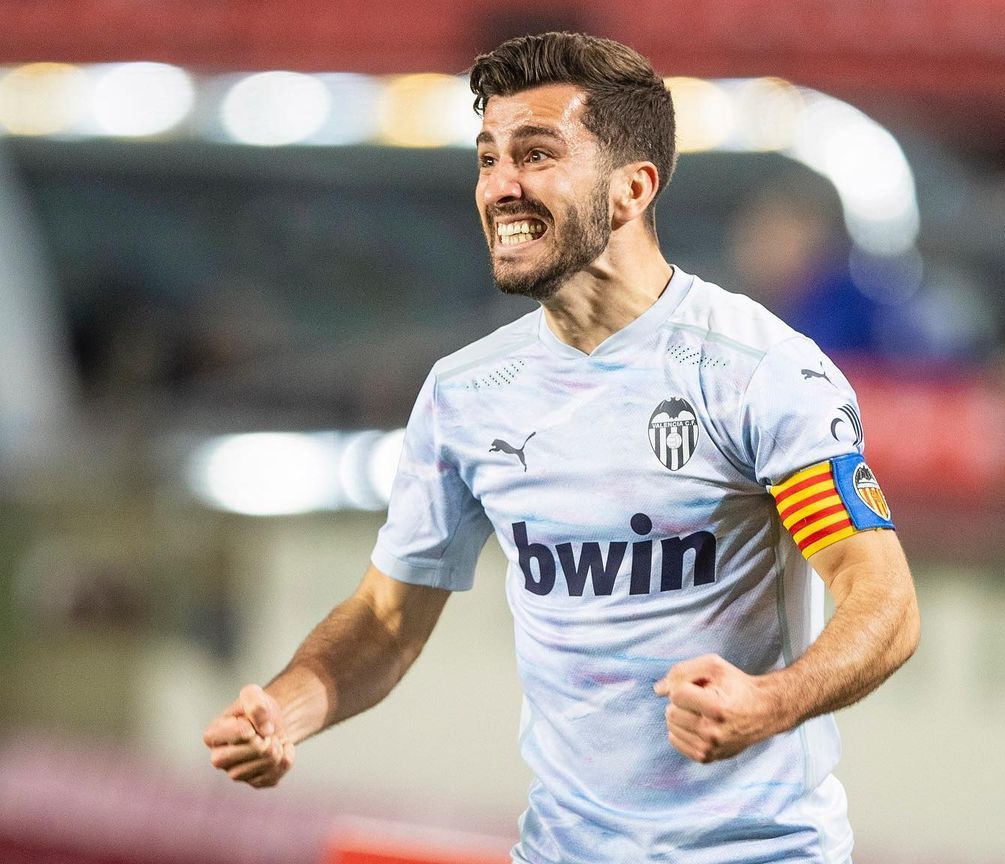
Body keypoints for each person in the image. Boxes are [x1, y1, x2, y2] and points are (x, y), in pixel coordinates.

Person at [203, 32, 920, 864]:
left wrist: (771, 702)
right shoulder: (466, 395)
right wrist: (286, 710)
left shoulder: (758, 372)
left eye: (535, 155)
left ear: (632, 188)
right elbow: (388, 618)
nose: (500, 187)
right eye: (488, 158)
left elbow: (882, 597)